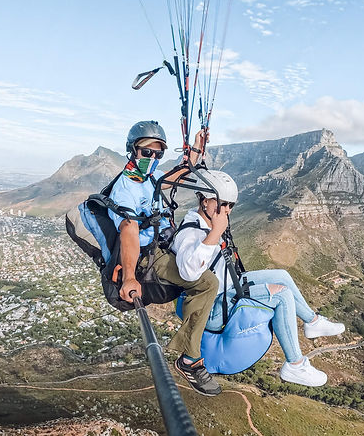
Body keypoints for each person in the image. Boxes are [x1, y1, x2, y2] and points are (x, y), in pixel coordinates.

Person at [172, 169, 346, 387]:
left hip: (227, 287)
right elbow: (188, 272)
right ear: (204, 200)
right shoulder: (190, 232)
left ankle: (313, 322)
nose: (227, 210)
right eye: (223, 204)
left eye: (231, 205)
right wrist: (216, 232)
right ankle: (295, 364)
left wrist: (216, 229)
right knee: (281, 295)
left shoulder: (206, 222)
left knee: (282, 276)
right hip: (211, 309)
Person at [108, 120, 222, 396]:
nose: (152, 158)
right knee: (207, 283)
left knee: (212, 259)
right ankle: (190, 359)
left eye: (158, 154)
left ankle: (202, 323)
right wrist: (130, 277)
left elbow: (179, 174)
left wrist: (197, 147)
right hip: (148, 256)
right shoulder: (125, 190)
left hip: (163, 243)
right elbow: (129, 230)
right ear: (132, 150)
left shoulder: (150, 177)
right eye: (147, 152)